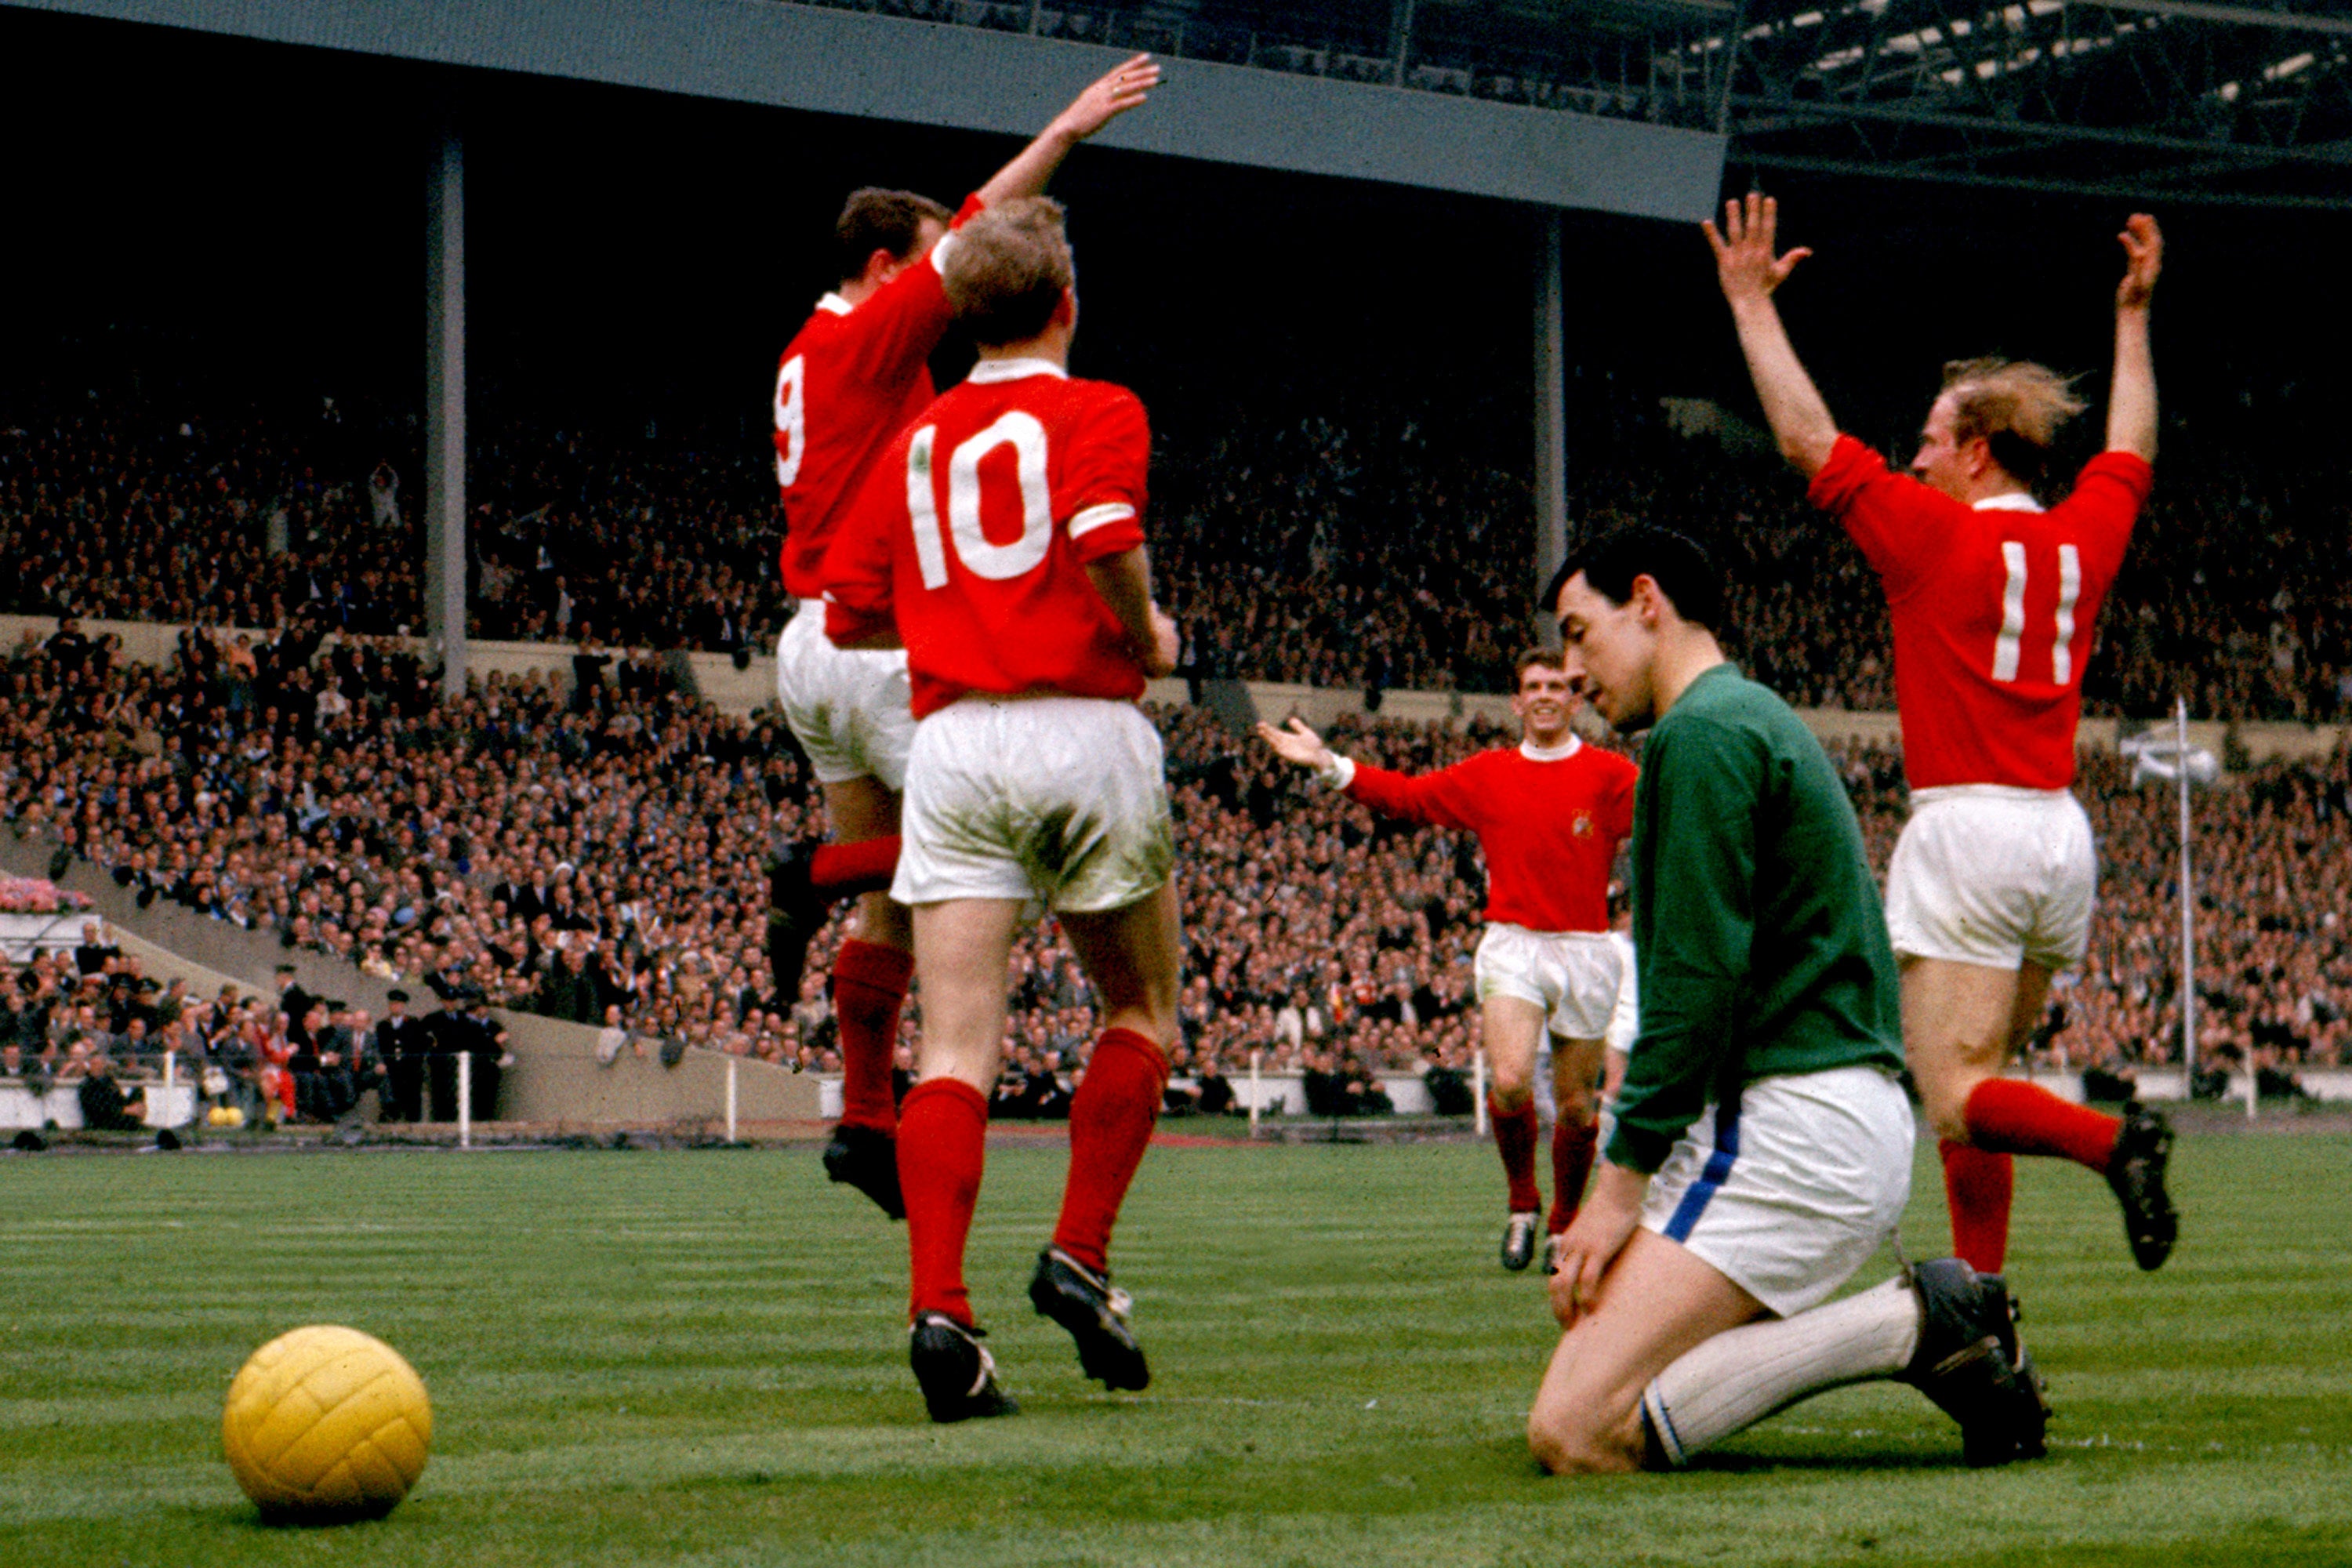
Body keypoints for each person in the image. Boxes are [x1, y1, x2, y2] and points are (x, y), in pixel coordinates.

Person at [1705, 193, 2176, 1276]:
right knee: (1989, 1080)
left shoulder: (1934, 541)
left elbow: (1804, 438)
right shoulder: (2077, 543)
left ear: (1972, 452)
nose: (1913, 461)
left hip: (1970, 831)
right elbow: (2132, 446)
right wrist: (2135, 318)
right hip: (2060, 834)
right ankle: (1990, 1304)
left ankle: (2117, 1142)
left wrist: (1748, 306)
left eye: (1926, 441)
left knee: (1955, 1093)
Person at [1530, 525, 2045, 1475]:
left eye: (1577, 632)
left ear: (1647, 600)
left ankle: (1914, 1322)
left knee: (1575, 1428)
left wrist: (1615, 1189)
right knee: (1603, 1378)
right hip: (1815, 1115)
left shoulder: (1702, 732)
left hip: (1791, 1123)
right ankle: (1918, 1323)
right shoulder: (1738, 718)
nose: (1567, 671)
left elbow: (1695, 991)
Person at [764, 53, 1161, 1222]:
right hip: (886, 634)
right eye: (931, 264)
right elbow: (987, 229)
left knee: (902, 897)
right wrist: (1070, 129)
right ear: (888, 268)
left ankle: (861, 1118)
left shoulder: (800, 352)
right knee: (965, 874)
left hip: (812, 642)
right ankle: (811, 876)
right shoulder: (871, 337)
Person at [824, 195, 1181, 1424]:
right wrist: (1148, 633)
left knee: (957, 1050)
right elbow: (1104, 534)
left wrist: (943, 619)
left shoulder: (914, 442)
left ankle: (941, 1312)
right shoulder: (1100, 407)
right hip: (1085, 725)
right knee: (1138, 1006)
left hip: (957, 744)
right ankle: (1079, 1251)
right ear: (1067, 303)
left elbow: (847, 613)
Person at [1258, 651, 1635, 1270]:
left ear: (1575, 700)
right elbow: (1407, 797)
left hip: (1587, 949)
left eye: (1558, 687)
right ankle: (1522, 1205)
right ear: (1516, 702)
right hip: (1514, 942)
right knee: (1511, 1082)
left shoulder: (1610, 775)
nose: (1545, 695)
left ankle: (1566, 1223)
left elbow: (1673, 816)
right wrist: (1330, 766)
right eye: (1533, 686)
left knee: (1574, 1105)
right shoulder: (1491, 773)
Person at [376, 989, 430, 1123]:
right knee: (392, 1097)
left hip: (410, 1068)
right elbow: (380, 1046)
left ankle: (413, 1123)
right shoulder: (383, 1025)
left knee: (413, 1098)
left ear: (403, 1006)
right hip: (392, 1067)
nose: (395, 1007)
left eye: (398, 1004)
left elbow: (421, 1044)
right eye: (393, 1004)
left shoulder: (413, 1023)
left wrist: (416, 1062)